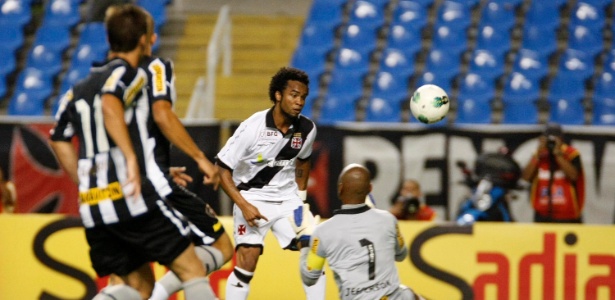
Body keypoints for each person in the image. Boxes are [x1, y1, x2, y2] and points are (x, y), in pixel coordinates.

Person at [49, 4, 214, 300]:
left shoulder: (77, 88)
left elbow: (59, 137)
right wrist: (131, 161)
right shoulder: (133, 75)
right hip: (132, 198)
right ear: (143, 40)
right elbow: (110, 104)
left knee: (136, 288)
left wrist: (84, 180)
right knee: (192, 270)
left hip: (95, 203)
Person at [130, 12, 234, 300]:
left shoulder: (102, 78)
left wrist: (153, 167)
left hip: (120, 186)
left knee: (130, 278)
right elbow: (162, 114)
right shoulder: (156, 68)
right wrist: (200, 158)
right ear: (149, 39)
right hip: (153, 185)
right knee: (221, 247)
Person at [215, 66, 326, 300]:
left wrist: (301, 201)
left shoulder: (307, 129)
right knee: (248, 259)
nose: (299, 102)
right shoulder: (252, 128)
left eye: (303, 97)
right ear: (278, 95)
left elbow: (303, 162)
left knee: (314, 248)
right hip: (251, 197)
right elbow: (222, 170)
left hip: (287, 199)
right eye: (294, 95)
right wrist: (244, 205)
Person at [297, 163, 425, 300]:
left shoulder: (323, 232)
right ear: (370, 189)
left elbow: (310, 278)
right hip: (392, 297)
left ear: (340, 189)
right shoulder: (388, 220)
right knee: (407, 294)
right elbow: (401, 255)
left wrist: (305, 242)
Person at [521, 123, 585, 223]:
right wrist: (537, 154)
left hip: (568, 214)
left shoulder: (571, 153)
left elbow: (573, 176)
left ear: (561, 139)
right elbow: (525, 177)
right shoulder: (539, 154)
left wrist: (558, 154)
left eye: (555, 138)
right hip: (542, 214)